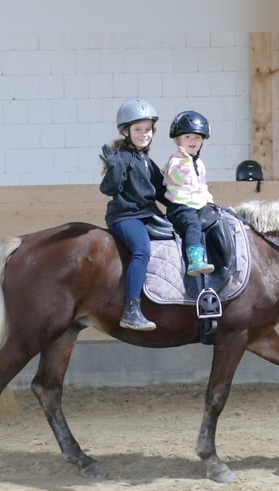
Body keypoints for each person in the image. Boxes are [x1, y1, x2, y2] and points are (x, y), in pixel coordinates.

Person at [99, 98, 170, 331]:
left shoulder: (147, 161)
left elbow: (163, 193)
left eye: (148, 129)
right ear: (126, 131)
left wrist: (192, 201)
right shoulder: (120, 158)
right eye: (138, 129)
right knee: (142, 250)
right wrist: (114, 169)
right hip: (126, 216)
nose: (144, 134)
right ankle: (131, 309)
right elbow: (108, 189)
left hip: (149, 215)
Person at [163, 110, 215, 276]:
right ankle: (194, 261)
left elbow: (201, 185)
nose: (193, 141)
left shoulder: (199, 163)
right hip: (181, 207)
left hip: (198, 205)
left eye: (197, 137)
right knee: (193, 225)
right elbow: (177, 178)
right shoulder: (176, 161)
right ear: (177, 139)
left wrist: (209, 200)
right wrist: (185, 162)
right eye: (187, 137)